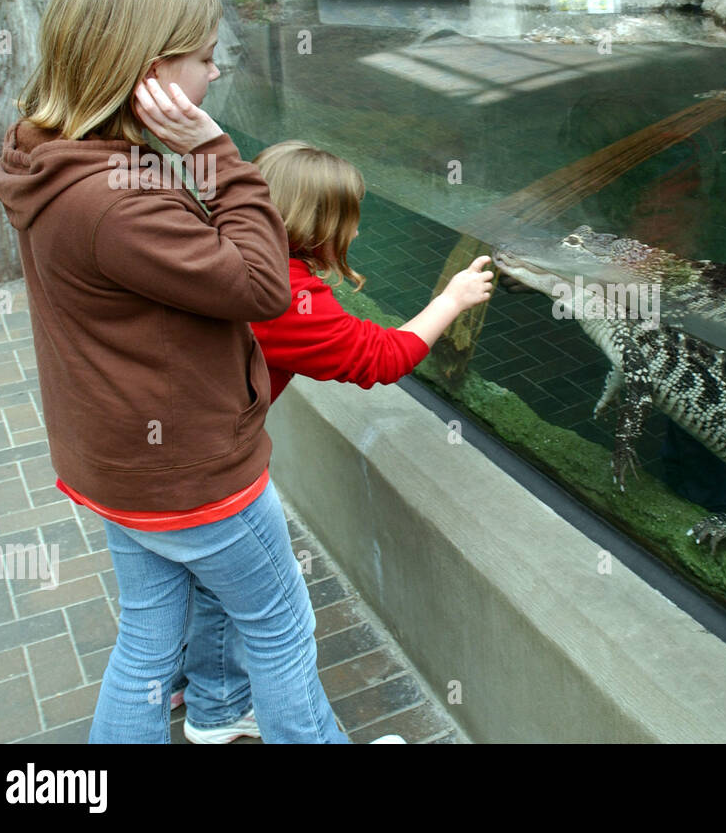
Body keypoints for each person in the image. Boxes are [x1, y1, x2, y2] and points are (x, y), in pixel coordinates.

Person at [0, 0, 349, 743]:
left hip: (116, 463)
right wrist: (217, 152)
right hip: (190, 475)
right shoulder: (117, 202)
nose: (215, 73)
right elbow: (265, 287)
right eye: (205, 58)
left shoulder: (46, 153)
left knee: (151, 643)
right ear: (153, 74)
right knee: (282, 625)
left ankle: (214, 716)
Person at [168, 140, 493, 743]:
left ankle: (212, 706)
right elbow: (380, 356)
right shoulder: (286, 296)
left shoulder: (214, 247)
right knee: (282, 618)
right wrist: (451, 300)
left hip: (154, 465)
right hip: (209, 479)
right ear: (323, 226)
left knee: (206, 587)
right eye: (351, 216)